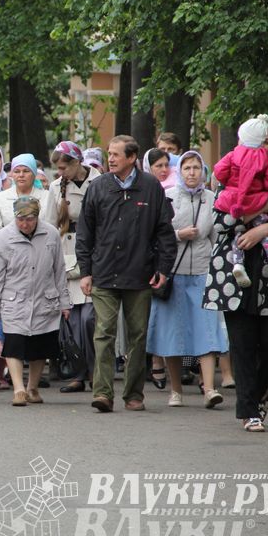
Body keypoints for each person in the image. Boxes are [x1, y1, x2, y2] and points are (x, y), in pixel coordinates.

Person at [203, 139, 268, 432]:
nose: (263, 152)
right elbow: (220, 220)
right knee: (243, 343)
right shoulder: (229, 176)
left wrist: (266, 228)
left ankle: (256, 395)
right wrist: (262, 207)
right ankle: (249, 411)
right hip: (233, 274)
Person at [76, 135, 177, 413]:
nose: (110, 159)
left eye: (116, 154)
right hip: (104, 272)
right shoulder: (98, 186)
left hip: (140, 273)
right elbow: (84, 233)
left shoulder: (151, 187)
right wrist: (85, 271)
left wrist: (163, 269)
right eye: (109, 154)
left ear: (132, 158)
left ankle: (134, 394)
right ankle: (102, 393)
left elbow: (165, 232)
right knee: (104, 332)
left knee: (138, 336)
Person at [145, 151, 229, 408]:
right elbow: (156, 234)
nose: (192, 172)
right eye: (187, 168)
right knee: (173, 333)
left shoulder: (211, 198)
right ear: (178, 172)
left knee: (207, 330)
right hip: (173, 273)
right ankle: (176, 390)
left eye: (196, 167)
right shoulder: (168, 196)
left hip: (203, 272)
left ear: (203, 171)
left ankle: (210, 389)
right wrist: (179, 234)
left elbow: (217, 238)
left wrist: (218, 269)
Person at [0, 197, 70, 406]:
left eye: (30, 219)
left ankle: (32, 387)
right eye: (20, 219)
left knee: (40, 346)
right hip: (14, 300)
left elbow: (59, 270)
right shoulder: (4, 237)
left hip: (44, 299)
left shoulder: (51, 233)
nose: (25, 224)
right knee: (14, 344)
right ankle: (18, 389)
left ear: (37, 216)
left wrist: (65, 302)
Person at [43, 141, 102, 393]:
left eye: (64, 167)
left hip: (94, 253)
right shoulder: (56, 187)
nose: (60, 173)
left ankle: (97, 371)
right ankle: (78, 373)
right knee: (73, 321)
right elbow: (49, 223)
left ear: (77, 163)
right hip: (67, 254)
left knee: (90, 319)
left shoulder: (100, 182)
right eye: (57, 168)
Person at [213, 115, 268, 288]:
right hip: (257, 201)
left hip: (233, 201)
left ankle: (238, 264)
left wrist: (230, 181)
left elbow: (219, 171)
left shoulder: (232, 155)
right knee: (265, 231)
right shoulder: (265, 159)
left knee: (238, 231)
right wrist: (265, 191)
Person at [0, 153, 48, 240]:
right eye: (17, 171)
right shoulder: (0, 198)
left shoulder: (47, 197)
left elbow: (53, 227)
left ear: (34, 173)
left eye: (26, 171)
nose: (21, 175)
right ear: (12, 174)